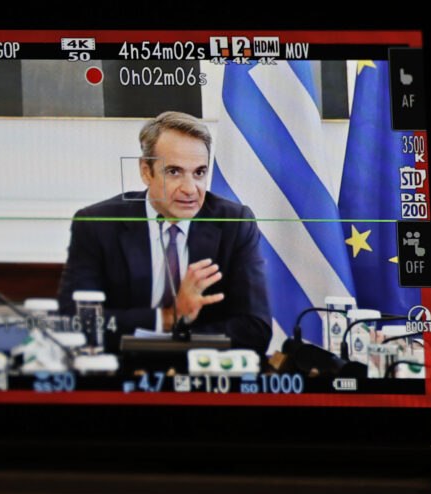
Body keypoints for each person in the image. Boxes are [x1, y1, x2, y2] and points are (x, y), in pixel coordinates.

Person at [57, 111, 271, 354]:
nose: (190, 189)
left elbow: (255, 330)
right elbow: (75, 321)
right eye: (174, 172)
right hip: (123, 370)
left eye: (199, 173)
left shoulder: (235, 224)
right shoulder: (97, 224)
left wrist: (175, 346)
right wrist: (168, 318)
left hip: (203, 372)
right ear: (146, 171)